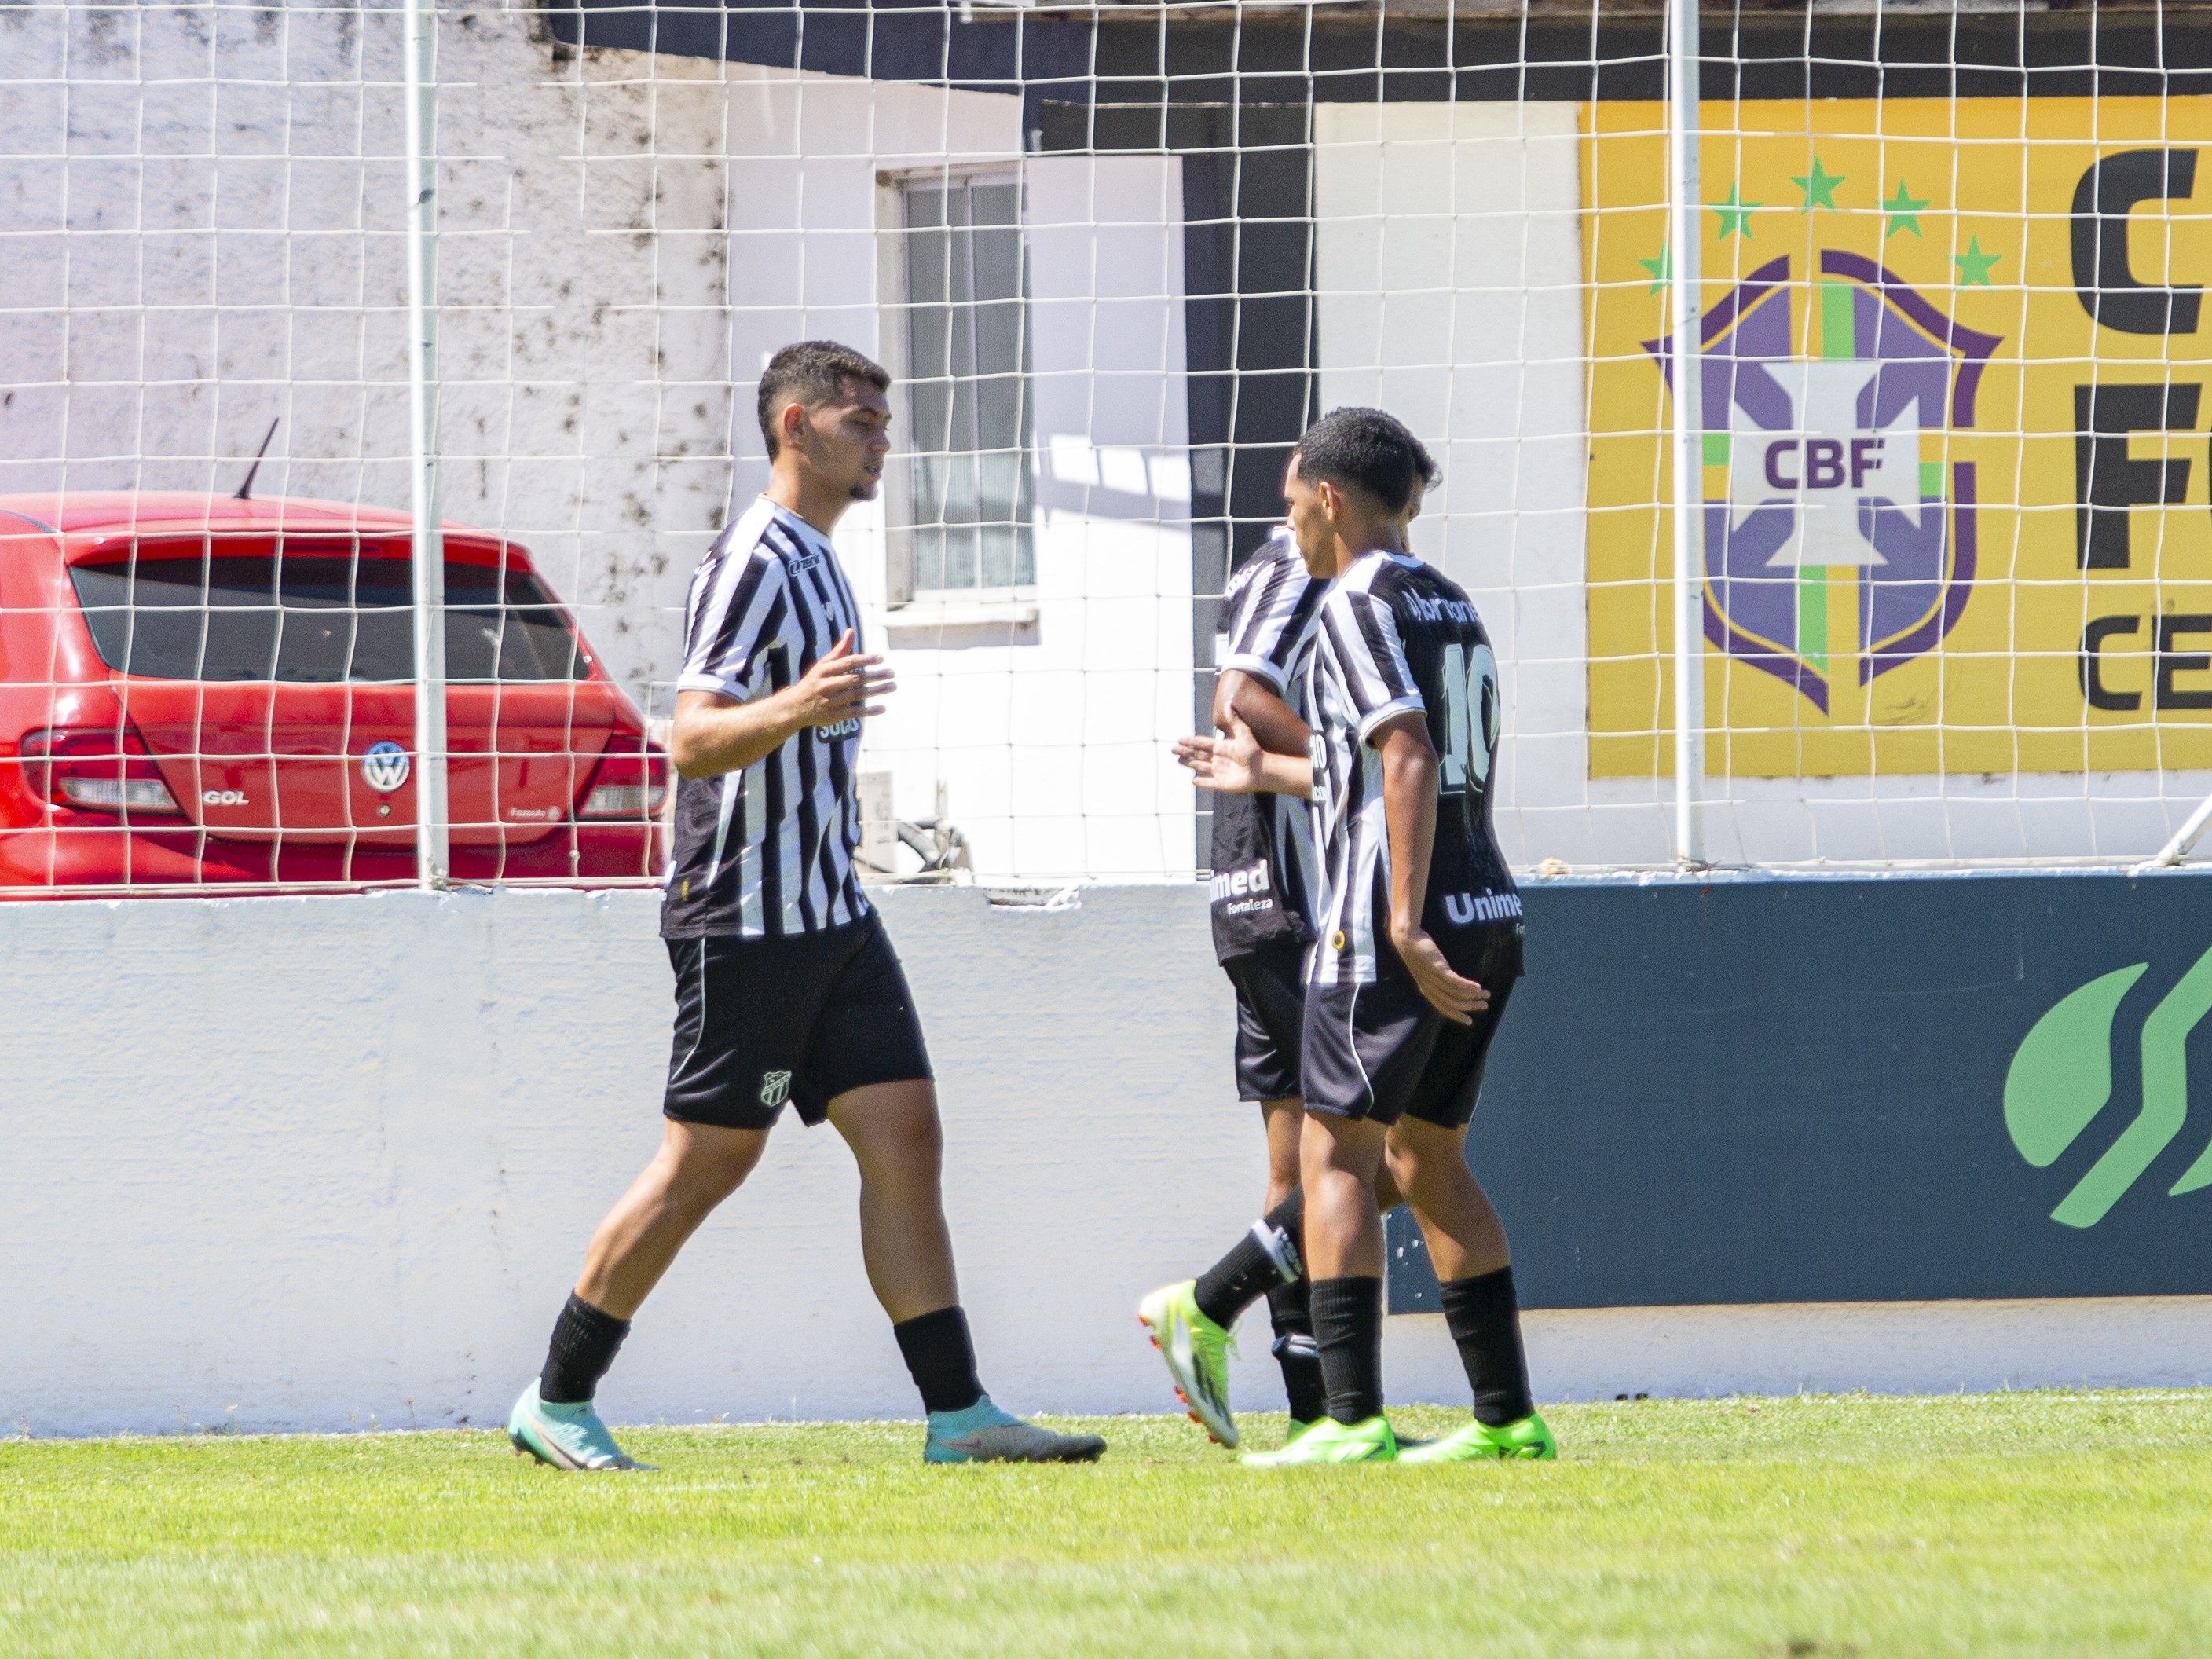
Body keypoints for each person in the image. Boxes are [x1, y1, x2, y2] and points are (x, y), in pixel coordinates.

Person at [506, 340, 1105, 1470]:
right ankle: (557, 1396)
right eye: (862, 419)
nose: (884, 437)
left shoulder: (822, 555)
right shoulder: (754, 563)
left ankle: (959, 1413)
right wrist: (799, 702)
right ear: (796, 427)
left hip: (828, 913)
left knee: (906, 1137)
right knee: (706, 1165)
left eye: (884, 418)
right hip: (746, 918)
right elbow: (690, 740)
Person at [1234, 407, 1552, 1466]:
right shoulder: (1449, 602)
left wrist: (1402, 922)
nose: (1291, 531)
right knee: (1434, 1160)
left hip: (1387, 926)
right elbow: (1409, 761)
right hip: (1492, 907)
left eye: (1292, 508)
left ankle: (1350, 1421)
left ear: (1329, 499)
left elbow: (1406, 756)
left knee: (1334, 1158)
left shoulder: (1351, 601)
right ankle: (1508, 1421)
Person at [1137, 447, 1432, 1452]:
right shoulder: (1291, 565)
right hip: (1298, 893)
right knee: (1385, 1153)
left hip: (1273, 892)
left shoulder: (1329, 571)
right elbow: (1240, 696)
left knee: (1303, 1166)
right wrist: (1359, 764)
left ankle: (1313, 1412)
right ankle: (1215, 1305)